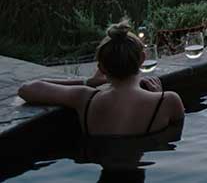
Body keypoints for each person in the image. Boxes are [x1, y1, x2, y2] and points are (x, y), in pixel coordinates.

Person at [18, 21, 185, 137]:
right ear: (142, 59)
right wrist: (158, 96)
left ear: (102, 68)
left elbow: (27, 89)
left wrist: (88, 83)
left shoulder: (84, 97)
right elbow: (173, 140)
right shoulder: (168, 100)